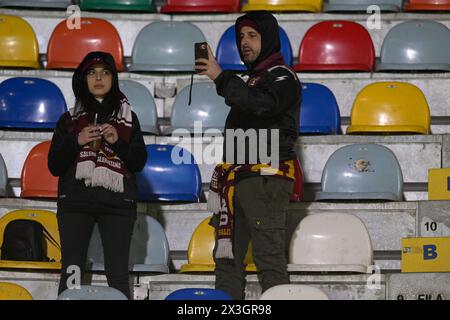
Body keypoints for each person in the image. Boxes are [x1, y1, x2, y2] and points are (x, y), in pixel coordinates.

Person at [196, 11, 302, 300]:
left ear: (268, 39)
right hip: (238, 179)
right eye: (241, 36)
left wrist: (221, 77)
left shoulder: (283, 76)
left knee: (269, 261)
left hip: (266, 179)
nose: (244, 42)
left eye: (252, 35)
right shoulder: (252, 79)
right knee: (227, 261)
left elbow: (263, 106)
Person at [48, 51, 147, 299]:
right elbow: (54, 166)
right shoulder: (69, 120)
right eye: (92, 73)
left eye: (105, 72)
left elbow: (138, 162)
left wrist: (117, 142)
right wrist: (77, 141)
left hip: (118, 204)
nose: (99, 78)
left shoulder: (128, 118)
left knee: (117, 273)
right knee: (71, 269)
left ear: (114, 79)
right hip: (75, 202)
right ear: (83, 78)